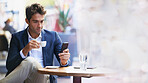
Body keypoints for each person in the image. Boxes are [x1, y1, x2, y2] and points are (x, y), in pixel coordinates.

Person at [0, 3, 70, 83]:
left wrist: (64, 61)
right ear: (27, 21)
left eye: (42, 21)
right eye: (35, 22)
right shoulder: (17, 38)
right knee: (30, 62)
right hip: (24, 79)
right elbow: (9, 66)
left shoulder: (53, 36)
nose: (39, 25)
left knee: (30, 61)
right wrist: (25, 51)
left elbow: (65, 63)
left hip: (44, 78)